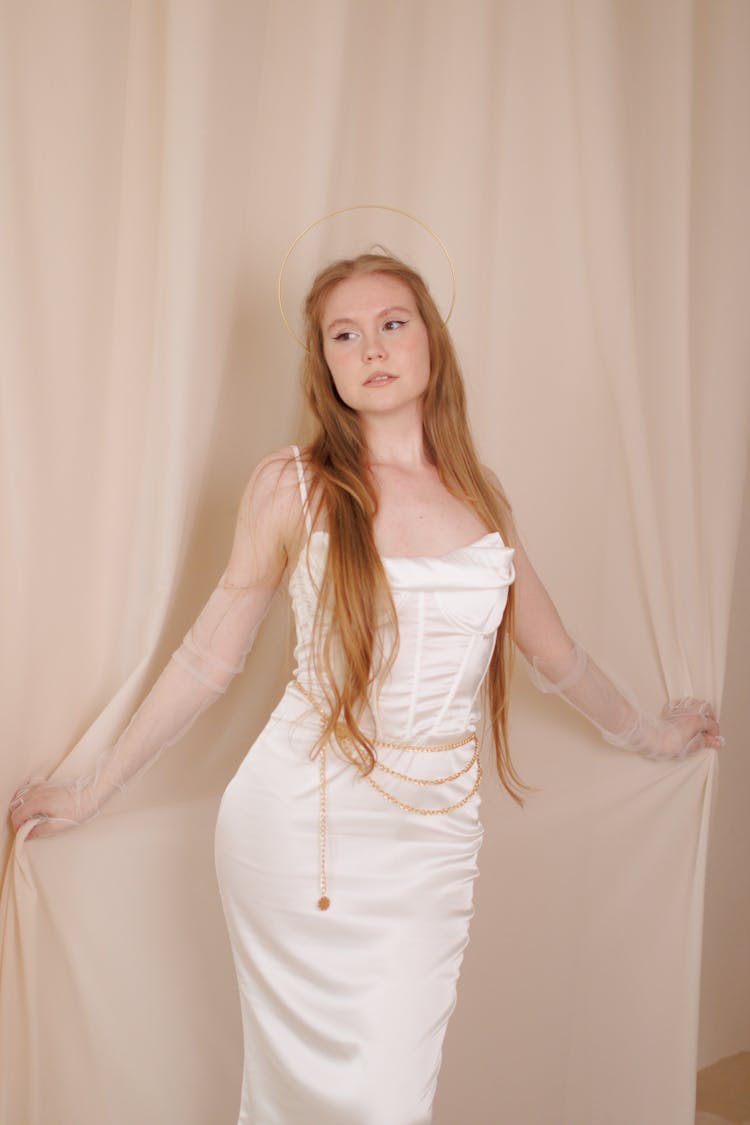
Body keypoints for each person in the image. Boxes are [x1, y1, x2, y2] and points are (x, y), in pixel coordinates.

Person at [9, 253, 722, 1125]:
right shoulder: (295, 488)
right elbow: (208, 657)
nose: (372, 346)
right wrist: (89, 791)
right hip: (296, 828)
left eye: (393, 322)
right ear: (327, 367)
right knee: (296, 1092)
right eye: (344, 334)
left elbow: (556, 654)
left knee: (388, 1097)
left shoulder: (480, 498)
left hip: (431, 840)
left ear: (430, 341)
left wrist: (652, 734)